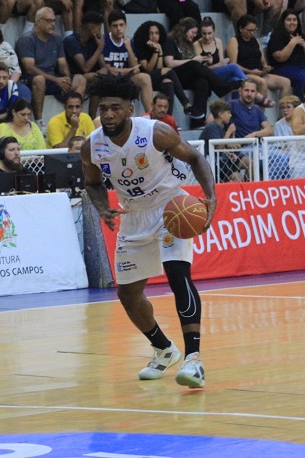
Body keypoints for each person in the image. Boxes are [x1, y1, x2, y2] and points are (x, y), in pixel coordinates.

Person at [80, 74, 217, 389]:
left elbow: (195, 157)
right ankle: (164, 349)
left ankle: (194, 360)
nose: (109, 114)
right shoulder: (93, 146)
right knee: (128, 294)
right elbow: (92, 183)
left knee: (177, 276)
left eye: (116, 108)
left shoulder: (155, 132)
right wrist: (103, 207)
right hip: (134, 216)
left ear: (129, 109)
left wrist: (211, 198)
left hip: (171, 208)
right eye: (104, 109)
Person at [164, 17, 238, 124]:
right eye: (193, 32)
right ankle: (222, 85)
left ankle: (198, 119)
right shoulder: (171, 40)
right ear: (184, 29)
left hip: (186, 75)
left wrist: (204, 62)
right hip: (174, 74)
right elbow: (169, 63)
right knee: (194, 64)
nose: (194, 35)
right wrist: (193, 60)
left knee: (203, 82)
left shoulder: (188, 42)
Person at [18, 7, 87, 123]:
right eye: (48, 21)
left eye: (54, 21)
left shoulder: (57, 38)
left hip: (52, 78)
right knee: (39, 80)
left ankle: (73, 116)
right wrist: (56, 79)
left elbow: (63, 64)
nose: (53, 24)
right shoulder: (26, 40)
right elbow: (29, 68)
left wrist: (66, 80)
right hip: (32, 79)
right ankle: (39, 122)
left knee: (80, 79)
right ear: (38, 22)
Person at [226, 16, 291, 108]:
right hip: (244, 74)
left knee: (286, 82)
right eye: (249, 30)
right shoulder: (234, 41)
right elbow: (233, 64)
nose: (252, 33)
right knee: (262, 82)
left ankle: (283, 113)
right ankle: (260, 114)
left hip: (260, 72)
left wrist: (265, 67)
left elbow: (262, 59)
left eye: (254, 30)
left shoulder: (255, 40)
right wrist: (250, 71)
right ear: (241, 29)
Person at [133, 20, 193, 116]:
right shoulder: (140, 46)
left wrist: (160, 52)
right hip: (144, 78)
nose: (154, 36)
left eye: (157, 33)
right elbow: (148, 68)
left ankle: (166, 118)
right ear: (145, 34)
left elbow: (159, 69)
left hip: (155, 77)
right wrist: (156, 52)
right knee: (169, 71)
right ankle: (185, 103)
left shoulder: (160, 45)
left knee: (168, 82)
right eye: (151, 33)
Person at [102, 9, 154, 112]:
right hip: (110, 79)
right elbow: (107, 69)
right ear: (109, 27)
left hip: (125, 79)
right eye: (115, 26)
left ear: (126, 25)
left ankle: (150, 115)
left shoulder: (129, 41)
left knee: (145, 77)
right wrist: (128, 71)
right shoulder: (105, 41)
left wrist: (129, 48)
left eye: (121, 25)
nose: (119, 29)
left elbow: (136, 68)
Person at [200, 99, 242, 182]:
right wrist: (229, 132)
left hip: (220, 161)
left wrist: (229, 152)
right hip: (211, 162)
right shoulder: (212, 127)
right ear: (220, 114)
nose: (230, 116)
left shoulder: (220, 127)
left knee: (246, 164)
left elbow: (222, 146)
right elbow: (218, 147)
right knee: (236, 177)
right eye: (228, 113)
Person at [195, 17, 246, 85]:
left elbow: (221, 63)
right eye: (204, 33)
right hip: (207, 75)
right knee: (233, 66)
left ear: (214, 31)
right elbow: (199, 70)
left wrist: (221, 64)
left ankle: (245, 91)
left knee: (235, 79)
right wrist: (215, 64)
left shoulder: (218, 42)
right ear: (200, 33)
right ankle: (250, 85)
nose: (207, 37)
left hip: (218, 73)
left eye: (209, 33)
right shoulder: (196, 45)